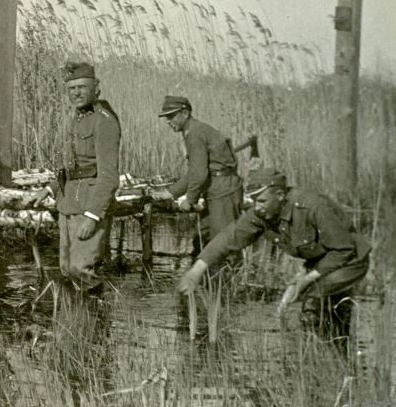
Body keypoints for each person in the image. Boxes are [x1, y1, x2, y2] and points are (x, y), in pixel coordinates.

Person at [178, 168, 371, 341]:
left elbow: (344, 249)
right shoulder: (263, 213)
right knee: (326, 312)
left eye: (261, 200)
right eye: (254, 201)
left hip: (351, 261)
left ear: (279, 195)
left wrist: (305, 279)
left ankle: (320, 352)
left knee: (313, 302)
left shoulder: (312, 207)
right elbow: (231, 236)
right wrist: (196, 270)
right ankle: (331, 349)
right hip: (321, 261)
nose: (257, 207)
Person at [54, 61, 121, 292]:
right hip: (69, 203)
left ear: (96, 88)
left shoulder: (104, 121)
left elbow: (109, 177)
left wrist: (92, 216)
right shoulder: (77, 118)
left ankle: (98, 311)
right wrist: (50, 189)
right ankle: (76, 314)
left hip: (89, 205)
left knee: (81, 269)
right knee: (66, 268)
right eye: (71, 88)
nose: (76, 93)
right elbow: (71, 166)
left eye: (82, 87)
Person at [151, 95, 243, 256]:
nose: (168, 121)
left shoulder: (195, 134)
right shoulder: (196, 130)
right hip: (218, 189)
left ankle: (226, 273)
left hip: (223, 191)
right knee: (203, 239)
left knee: (223, 245)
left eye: (171, 116)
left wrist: (190, 199)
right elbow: (196, 171)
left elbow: (199, 174)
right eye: (166, 117)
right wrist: (172, 192)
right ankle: (204, 272)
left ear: (185, 113)